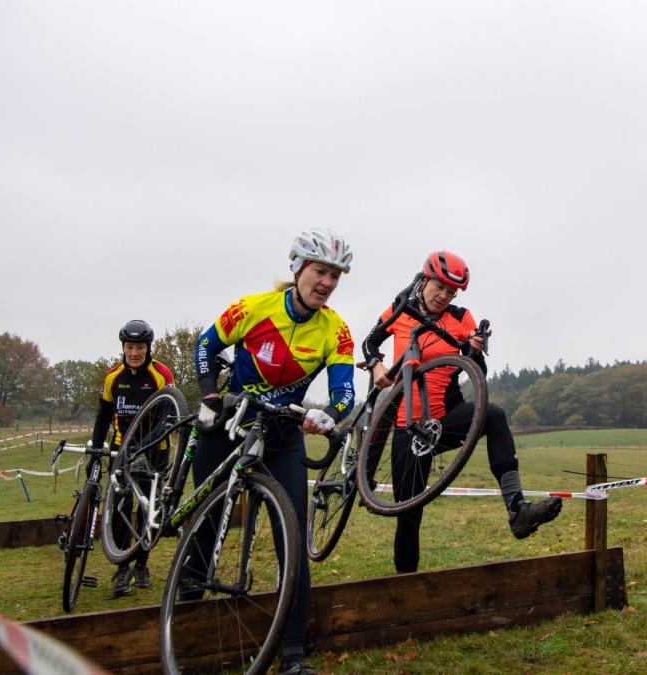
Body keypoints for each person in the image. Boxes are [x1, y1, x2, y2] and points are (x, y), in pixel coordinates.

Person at [189, 229, 355, 675]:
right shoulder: (253, 307)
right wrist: (209, 395)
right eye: (320, 271)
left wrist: (327, 416)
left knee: (292, 540)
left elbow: (344, 394)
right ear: (298, 269)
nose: (327, 283)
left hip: (282, 435)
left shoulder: (335, 329)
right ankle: (184, 616)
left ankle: (293, 655)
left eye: (336, 276)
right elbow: (206, 345)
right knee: (206, 526)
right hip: (231, 423)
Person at [360, 250, 562, 575]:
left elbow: (476, 371)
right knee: (409, 517)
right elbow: (370, 342)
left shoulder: (461, 317)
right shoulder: (400, 308)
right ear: (425, 280)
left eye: (451, 292)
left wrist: (474, 350)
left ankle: (517, 509)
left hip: (445, 418)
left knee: (493, 414)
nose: (444, 296)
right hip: (408, 426)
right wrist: (376, 365)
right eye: (439, 287)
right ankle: (405, 585)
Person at [90, 319, 175, 597]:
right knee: (120, 507)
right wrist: (95, 451)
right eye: (130, 347)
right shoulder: (113, 377)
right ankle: (122, 568)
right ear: (123, 348)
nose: (135, 353)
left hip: (155, 449)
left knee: (149, 510)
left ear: (148, 348)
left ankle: (141, 565)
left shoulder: (160, 374)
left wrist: (146, 445)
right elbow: (103, 415)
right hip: (122, 449)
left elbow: (169, 416)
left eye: (140, 347)